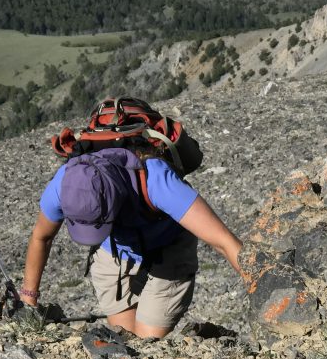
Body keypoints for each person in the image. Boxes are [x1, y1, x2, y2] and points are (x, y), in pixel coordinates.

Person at [19, 141, 243, 339]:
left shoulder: (157, 180)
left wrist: (264, 292)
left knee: (147, 343)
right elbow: (42, 237)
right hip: (114, 250)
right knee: (125, 341)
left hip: (168, 247)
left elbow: (223, 241)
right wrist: (28, 299)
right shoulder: (63, 185)